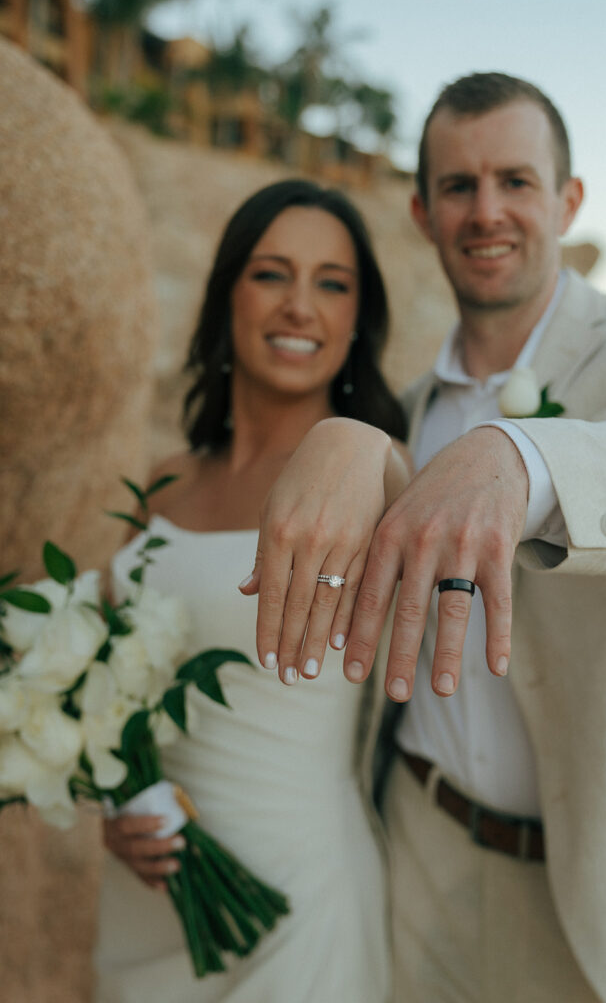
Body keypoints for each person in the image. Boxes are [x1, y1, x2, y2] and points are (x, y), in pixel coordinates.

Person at [250, 74, 606, 1002]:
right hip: (418, 862)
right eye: (457, 186)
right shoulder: (403, 413)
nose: (487, 211)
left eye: (516, 181)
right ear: (421, 210)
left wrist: (523, 456)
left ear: (566, 201)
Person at [95, 179, 411, 1003]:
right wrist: (114, 803)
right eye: (272, 273)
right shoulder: (162, 482)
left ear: (357, 319)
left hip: (297, 903)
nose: (300, 305)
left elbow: (406, 487)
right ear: (227, 292)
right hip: (155, 895)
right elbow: (104, 684)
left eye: (332, 283)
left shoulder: (371, 476)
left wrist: (358, 439)